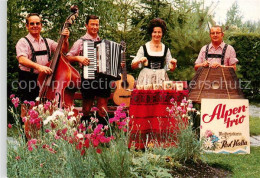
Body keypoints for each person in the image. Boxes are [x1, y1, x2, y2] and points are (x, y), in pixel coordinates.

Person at [16, 13, 70, 115]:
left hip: (45, 79)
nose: (35, 26)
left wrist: (65, 39)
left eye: (37, 23)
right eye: (32, 23)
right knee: (27, 110)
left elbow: (63, 50)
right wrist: (39, 67)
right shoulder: (23, 42)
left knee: (43, 109)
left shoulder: (47, 41)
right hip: (28, 78)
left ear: (41, 25)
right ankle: (26, 130)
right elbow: (22, 59)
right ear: (27, 26)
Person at [66, 15, 113, 125]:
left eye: (97, 24)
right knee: (86, 108)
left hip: (103, 78)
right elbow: (67, 58)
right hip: (88, 78)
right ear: (86, 25)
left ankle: (103, 135)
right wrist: (78, 58)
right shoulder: (80, 42)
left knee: (102, 109)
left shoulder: (104, 43)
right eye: (92, 24)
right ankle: (85, 134)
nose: (95, 27)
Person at [131, 18, 177, 86]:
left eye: (159, 32)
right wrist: (139, 61)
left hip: (161, 78)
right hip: (146, 79)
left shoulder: (166, 49)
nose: (157, 34)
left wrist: (174, 64)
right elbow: (133, 66)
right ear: (151, 33)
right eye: (154, 32)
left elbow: (171, 69)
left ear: (162, 33)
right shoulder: (144, 47)